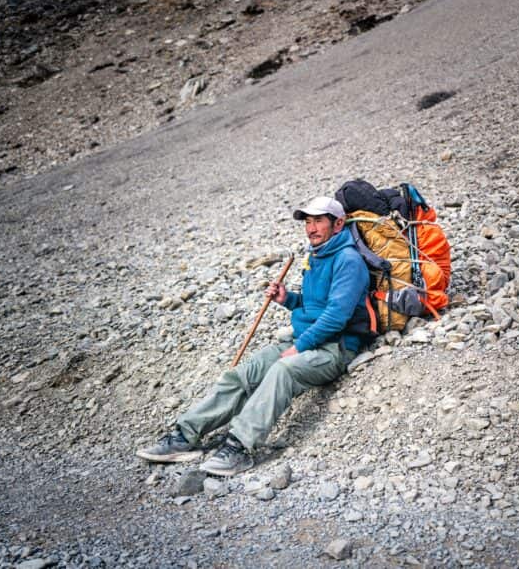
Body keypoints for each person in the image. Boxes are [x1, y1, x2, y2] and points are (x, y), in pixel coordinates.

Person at [136, 196, 372, 475]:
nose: (311, 228)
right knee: (243, 374)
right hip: (305, 338)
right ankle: (185, 435)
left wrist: (301, 347)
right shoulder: (317, 255)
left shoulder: (348, 261)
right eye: (308, 222)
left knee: (284, 370)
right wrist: (289, 300)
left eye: (318, 221)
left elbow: (336, 316)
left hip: (335, 347)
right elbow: (314, 306)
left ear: (338, 224)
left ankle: (239, 446)